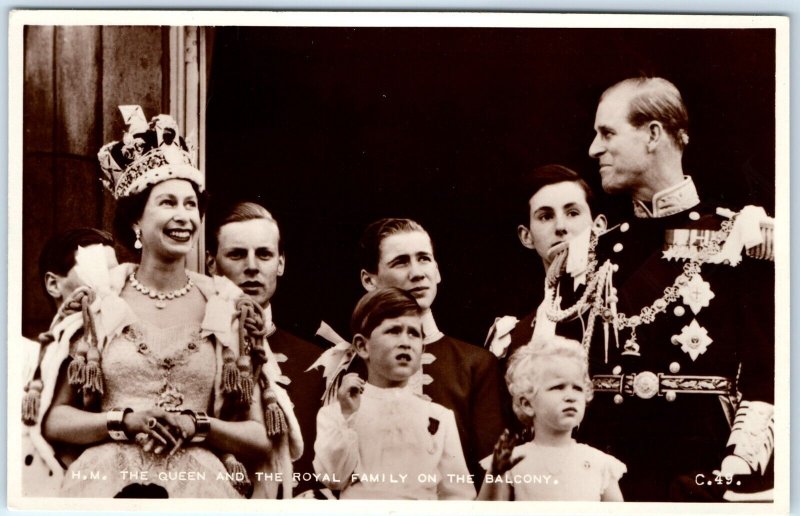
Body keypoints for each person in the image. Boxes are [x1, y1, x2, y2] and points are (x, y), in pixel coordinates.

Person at [33, 106, 302, 498]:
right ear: (136, 222)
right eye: (168, 203)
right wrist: (125, 421)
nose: (184, 216)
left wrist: (198, 425)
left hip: (199, 490)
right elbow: (55, 419)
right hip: (104, 489)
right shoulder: (101, 302)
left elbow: (259, 436)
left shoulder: (226, 307)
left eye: (191, 204)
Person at [551, 77, 774, 501]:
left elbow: (772, 374)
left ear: (653, 134)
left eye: (607, 133)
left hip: (702, 477)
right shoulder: (587, 253)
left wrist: (733, 471)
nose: (593, 149)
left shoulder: (739, 239)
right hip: (602, 479)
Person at [206, 201, 326, 497]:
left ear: (280, 263)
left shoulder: (317, 360)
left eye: (264, 254)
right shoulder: (196, 349)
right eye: (236, 254)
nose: (252, 267)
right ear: (211, 263)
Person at [313, 288, 475, 500]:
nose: (406, 342)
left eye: (414, 333)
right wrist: (348, 418)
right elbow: (333, 478)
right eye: (393, 331)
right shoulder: (337, 415)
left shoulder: (437, 417)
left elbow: (458, 494)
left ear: (422, 350)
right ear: (362, 346)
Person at [21, 228, 117, 497]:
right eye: (98, 271)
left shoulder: (121, 344)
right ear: (54, 284)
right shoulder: (26, 356)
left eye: (116, 273)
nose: (111, 285)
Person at [478, 336, 625, 501]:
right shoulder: (513, 463)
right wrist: (495, 474)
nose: (570, 397)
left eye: (577, 388)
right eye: (558, 387)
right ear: (527, 404)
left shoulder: (600, 464)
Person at [485, 164, 605, 365]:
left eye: (573, 213)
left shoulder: (622, 308)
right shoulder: (517, 336)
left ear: (599, 226)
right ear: (526, 236)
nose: (560, 227)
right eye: (546, 217)